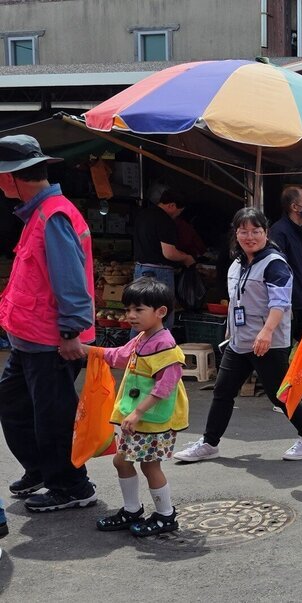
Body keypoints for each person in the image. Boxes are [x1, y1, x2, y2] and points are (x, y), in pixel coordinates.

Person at [174, 208, 302, 463]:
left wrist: (266, 332)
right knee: (223, 391)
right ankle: (210, 443)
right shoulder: (238, 262)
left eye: (256, 231)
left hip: (268, 342)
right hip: (240, 341)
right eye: (244, 231)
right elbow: (236, 301)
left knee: (278, 394)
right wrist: (230, 330)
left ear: (266, 233)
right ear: (236, 233)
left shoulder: (274, 263)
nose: (250, 236)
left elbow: (280, 304)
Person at [0, 134, 98, 512]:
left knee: (53, 419)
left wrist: (71, 332)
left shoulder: (51, 214)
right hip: (32, 339)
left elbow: (70, 280)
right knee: (15, 407)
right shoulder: (41, 212)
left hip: (50, 341)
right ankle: (43, 470)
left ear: (11, 177)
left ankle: (72, 486)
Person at [83, 278, 188, 536]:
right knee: (122, 461)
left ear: (160, 312)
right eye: (128, 309)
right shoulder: (142, 338)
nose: (130, 315)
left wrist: (139, 411)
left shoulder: (165, 344)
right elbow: (119, 356)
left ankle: (166, 515)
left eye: (138, 310)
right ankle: (132, 510)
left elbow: (166, 387)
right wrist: (88, 351)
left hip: (153, 418)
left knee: (149, 465)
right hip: (140, 417)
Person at [270, 187, 302, 409]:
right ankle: (282, 397)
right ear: (294, 207)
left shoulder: (298, 230)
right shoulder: (279, 232)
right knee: (283, 351)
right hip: (287, 302)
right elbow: (275, 268)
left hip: (301, 299)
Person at [133, 188, 196, 328]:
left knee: (140, 315)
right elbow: (169, 253)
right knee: (162, 316)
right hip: (158, 273)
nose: (177, 215)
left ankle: (135, 349)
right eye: (179, 211)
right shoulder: (164, 220)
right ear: (172, 205)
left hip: (139, 270)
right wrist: (186, 258)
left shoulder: (142, 215)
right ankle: (160, 349)